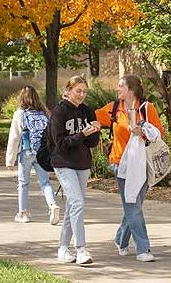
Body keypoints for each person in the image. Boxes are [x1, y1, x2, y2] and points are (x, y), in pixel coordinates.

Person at [95, 75, 164, 262]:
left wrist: (142, 131)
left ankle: (120, 238)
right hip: (120, 164)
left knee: (133, 205)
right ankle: (143, 249)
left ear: (131, 89)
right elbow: (91, 117)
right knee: (133, 205)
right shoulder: (114, 108)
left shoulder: (147, 108)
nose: (117, 89)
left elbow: (159, 132)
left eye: (120, 86)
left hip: (141, 163)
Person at [51, 76, 100, 265]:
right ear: (69, 90)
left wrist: (94, 131)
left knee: (73, 205)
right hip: (63, 162)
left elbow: (92, 143)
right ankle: (81, 249)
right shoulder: (59, 112)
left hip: (82, 163)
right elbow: (60, 143)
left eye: (85, 92)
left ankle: (63, 248)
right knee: (77, 203)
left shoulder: (87, 111)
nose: (81, 95)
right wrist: (82, 134)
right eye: (78, 91)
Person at [5, 86, 60, 225]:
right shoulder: (44, 113)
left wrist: (10, 160)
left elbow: (14, 137)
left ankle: (23, 213)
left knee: (23, 183)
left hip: (26, 152)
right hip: (41, 153)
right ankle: (52, 205)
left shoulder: (20, 114)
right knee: (45, 182)